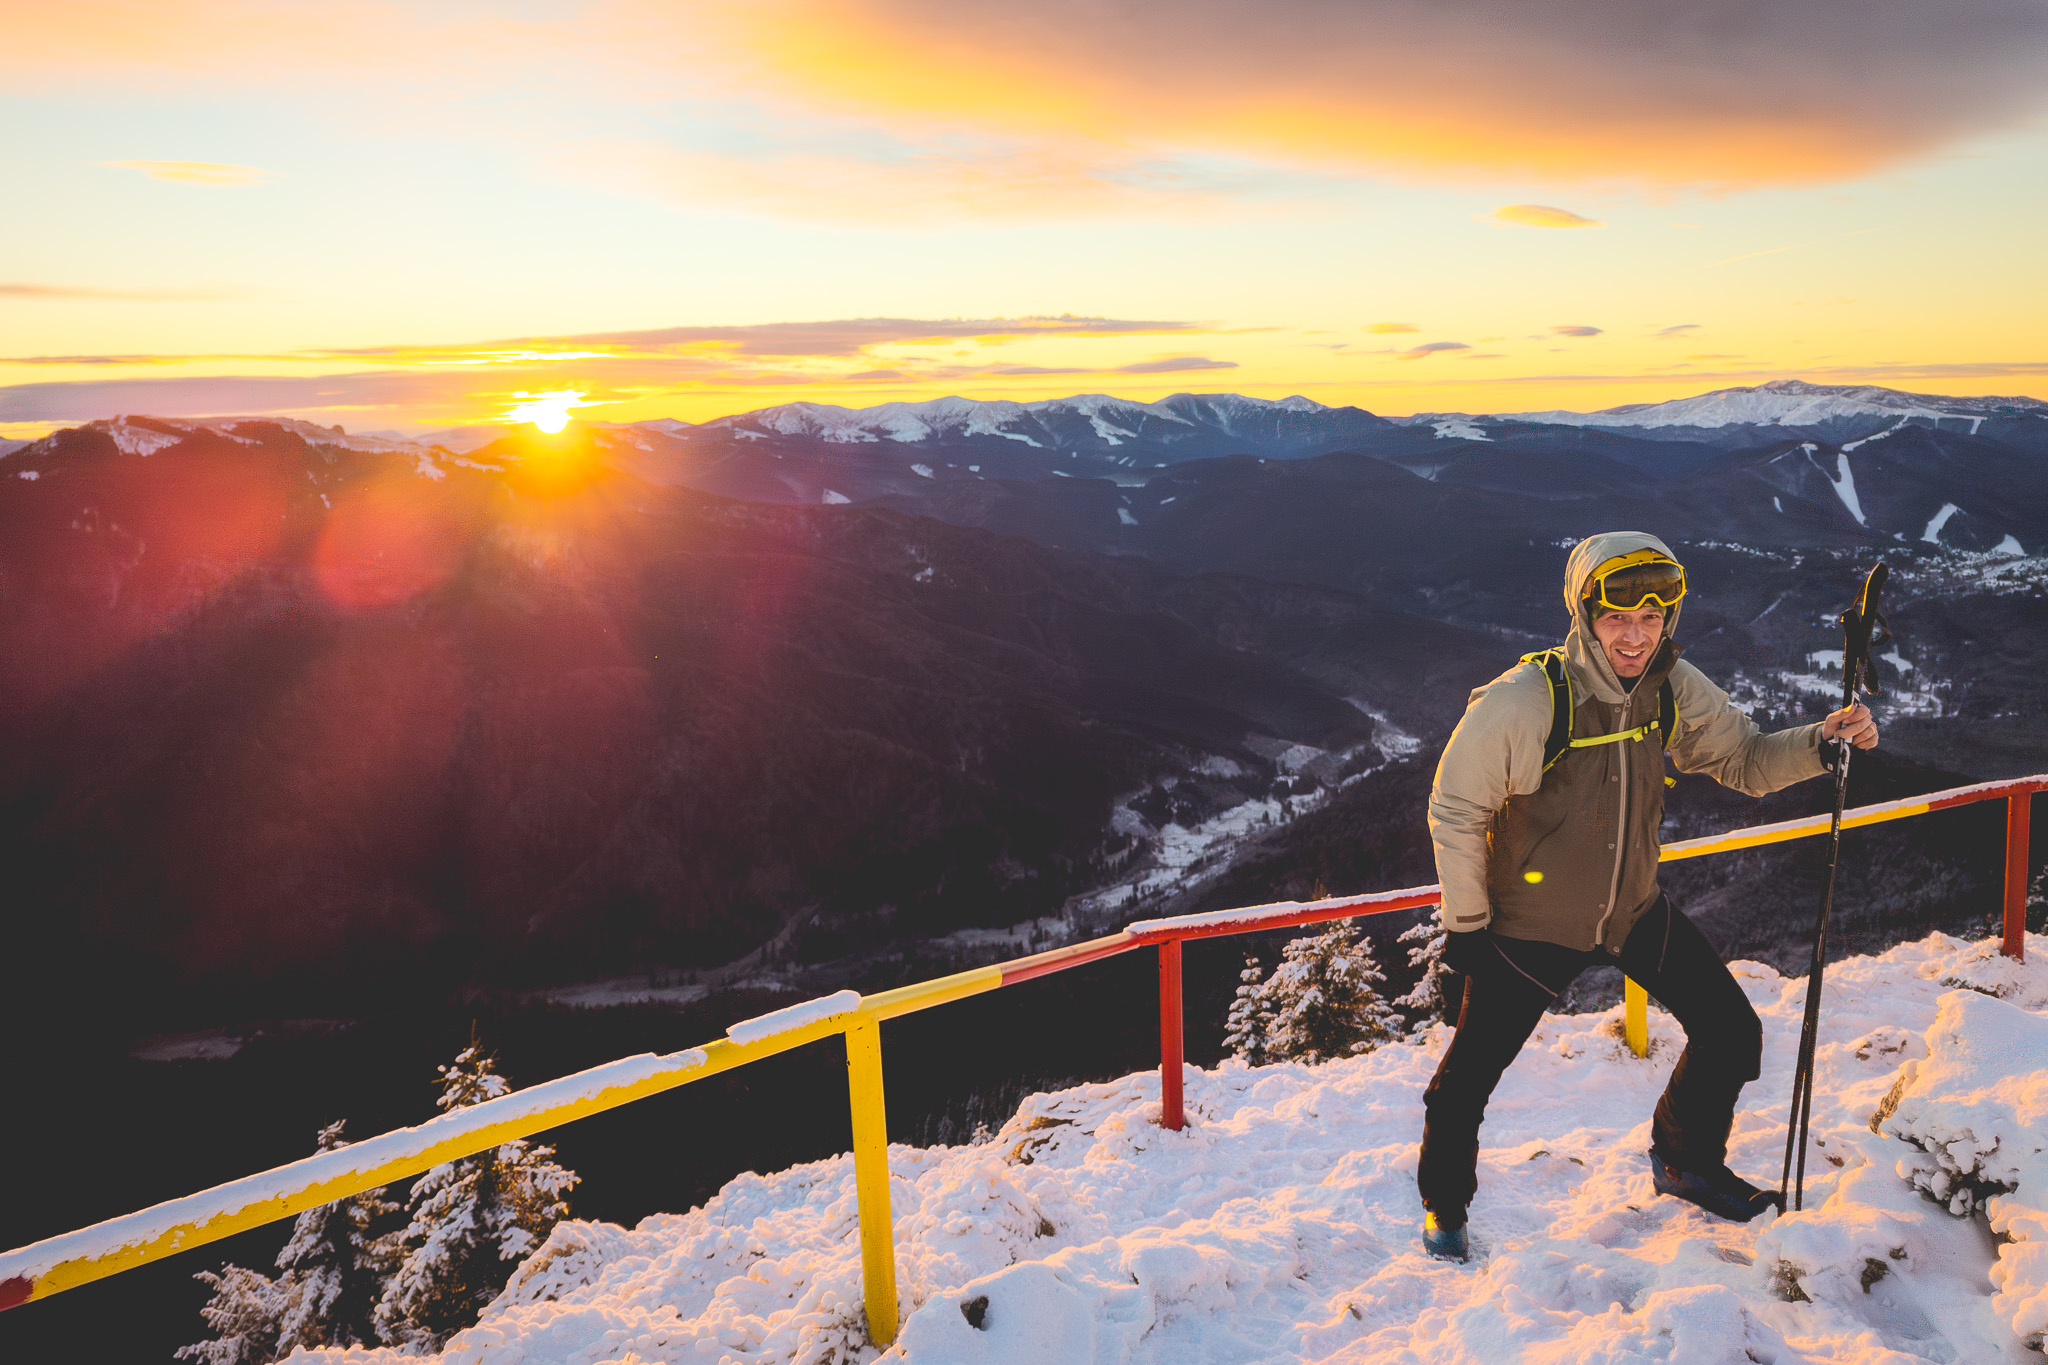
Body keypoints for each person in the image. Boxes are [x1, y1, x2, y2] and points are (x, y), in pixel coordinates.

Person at [1417, 531, 1878, 1261]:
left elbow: (1744, 757)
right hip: (1529, 924)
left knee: (1731, 1030)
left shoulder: (1672, 685)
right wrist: (1467, 924)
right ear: (1584, 614)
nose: (1635, 635)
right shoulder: (1529, 699)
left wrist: (1822, 740)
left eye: (1652, 617)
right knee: (1465, 1082)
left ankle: (1684, 1161)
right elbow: (1456, 806)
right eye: (1616, 618)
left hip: (1631, 909)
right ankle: (1445, 1208)